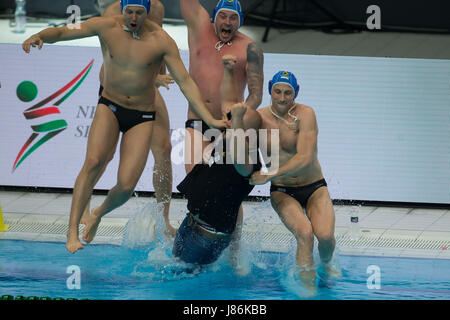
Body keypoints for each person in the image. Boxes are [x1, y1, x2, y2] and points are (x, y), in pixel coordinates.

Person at [22, 0, 227, 254]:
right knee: (95, 160)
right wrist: (41, 35)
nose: (132, 17)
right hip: (110, 104)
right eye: (129, 11)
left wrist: (210, 118)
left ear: (147, 11)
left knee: (127, 185)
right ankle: (72, 230)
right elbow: (66, 31)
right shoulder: (107, 23)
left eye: (138, 13)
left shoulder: (161, 39)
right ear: (122, 9)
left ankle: (99, 212)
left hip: (142, 111)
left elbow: (185, 81)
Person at [80, 0, 177, 238]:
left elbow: (156, 47)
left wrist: (160, 76)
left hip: (147, 89)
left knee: (164, 149)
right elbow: (123, 57)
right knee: (104, 156)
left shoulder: (157, 8)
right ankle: (84, 209)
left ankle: (162, 220)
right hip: (115, 90)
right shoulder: (114, 11)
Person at [180, 0, 264, 266]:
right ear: (214, 17)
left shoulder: (250, 48)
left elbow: (256, 94)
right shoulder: (198, 27)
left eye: (233, 18)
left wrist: (239, 114)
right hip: (198, 121)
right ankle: (192, 242)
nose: (227, 23)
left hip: (228, 126)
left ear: (240, 20)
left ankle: (234, 250)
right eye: (223, 17)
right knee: (196, 185)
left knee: (230, 191)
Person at [249, 71, 339, 293]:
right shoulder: (258, 118)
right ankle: (308, 290)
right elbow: (237, 137)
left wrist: (268, 174)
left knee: (325, 237)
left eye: (288, 93)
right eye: (277, 92)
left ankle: (327, 264)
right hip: (283, 190)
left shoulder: (306, 114)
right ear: (270, 90)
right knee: (305, 234)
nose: (282, 98)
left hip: (314, 186)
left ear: (295, 93)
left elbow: (305, 157)